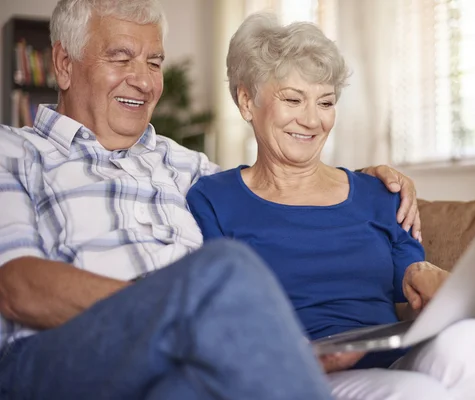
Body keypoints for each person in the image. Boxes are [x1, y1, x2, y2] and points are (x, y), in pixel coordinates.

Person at [0, 1, 423, 399]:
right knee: (227, 269)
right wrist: (179, 310)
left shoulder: (187, 167)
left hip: (185, 358)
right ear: (63, 64)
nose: (145, 80)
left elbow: (278, 191)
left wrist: (366, 184)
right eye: (121, 58)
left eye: (154, 62)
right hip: (57, 353)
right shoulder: (13, 151)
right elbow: (16, 286)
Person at [186, 13, 475, 400]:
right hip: (301, 375)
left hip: (397, 355)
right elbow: (217, 310)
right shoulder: (213, 199)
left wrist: (429, 277)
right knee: (417, 393)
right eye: (293, 99)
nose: (313, 119)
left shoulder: (378, 191)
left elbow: (410, 274)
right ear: (248, 101)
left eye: (326, 101)